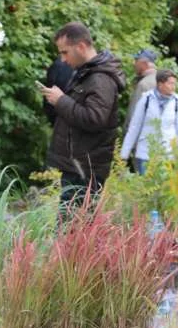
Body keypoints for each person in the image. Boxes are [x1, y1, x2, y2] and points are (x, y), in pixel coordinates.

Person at [40, 22, 126, 203]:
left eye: (65, 52)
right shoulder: (87, 73)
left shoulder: (100, 78)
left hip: (86, 168)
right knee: (71, 226)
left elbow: (95, 119)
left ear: (81, 46)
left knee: (72, 227)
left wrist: (61, 101)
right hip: (77, 165)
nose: (62, 59)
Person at [120, 69, 178, 174]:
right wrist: (124, 154)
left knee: (165, 188)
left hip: (168, 153)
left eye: (174, 83)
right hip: (146, 152)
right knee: (147, 187)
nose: (173, 87)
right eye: (170, 83)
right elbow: (134, 127)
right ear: (160, 84)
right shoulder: (146, 99)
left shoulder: (177, 101)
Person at [124, 49, 158, 128]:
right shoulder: (159, 80)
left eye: (136, 60)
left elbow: (134, 115)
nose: (134, 63)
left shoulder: (144, 84)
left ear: (144, 63)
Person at [43, 57, 74, 125]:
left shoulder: (57, 64)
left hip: (55, 111)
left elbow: (48, 89)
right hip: (70, 113)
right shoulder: (82, 66)